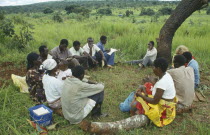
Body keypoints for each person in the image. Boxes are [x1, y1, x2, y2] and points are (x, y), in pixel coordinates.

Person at [135, 58, 176, 127]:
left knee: (139, 97)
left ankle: (138, 113)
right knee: (146, 87)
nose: (152, 68)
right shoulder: (166, 74)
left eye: (154, 67)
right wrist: (151, 80)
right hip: (166, 102)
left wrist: (141, 96)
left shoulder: (162, 83)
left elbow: (155, 101)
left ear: (159, 69)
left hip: (164, 107)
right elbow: (157, 82)